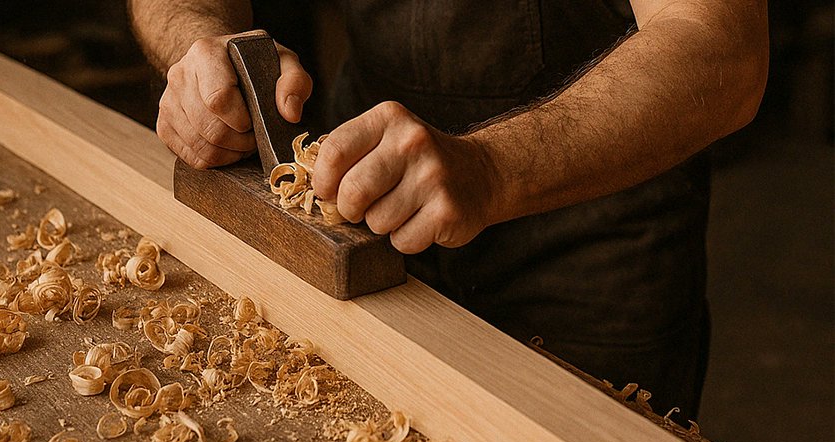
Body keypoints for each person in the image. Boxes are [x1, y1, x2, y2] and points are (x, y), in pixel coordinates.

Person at [128, 0, 768, 420]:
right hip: (367, 205)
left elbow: (722, 48)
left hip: (592, 243)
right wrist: (198, 43)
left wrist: (491, 169)